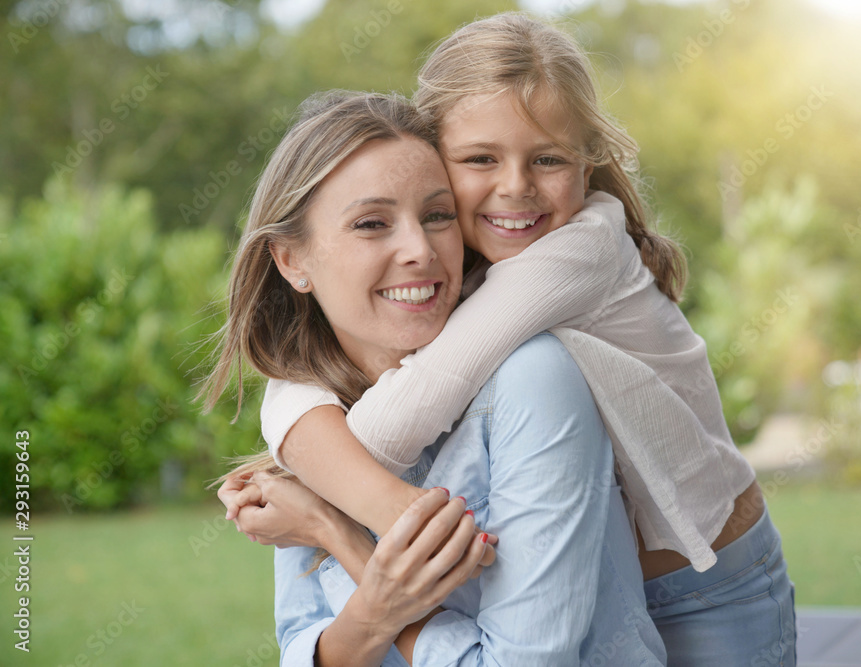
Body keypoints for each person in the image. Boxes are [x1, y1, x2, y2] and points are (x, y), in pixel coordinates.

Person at [236, 12, 796, 665]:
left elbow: (414, 400)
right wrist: (301, 433)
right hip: (611, 591)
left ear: (587, 163)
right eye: (480, 159)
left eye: (548, 159)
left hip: (711, 584)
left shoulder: (575, 252)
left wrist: (317, 494)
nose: (515, 187)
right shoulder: (457, 264)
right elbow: (301, 383)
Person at [206, 90, 667, 665]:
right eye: (372, 223)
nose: (419, 250)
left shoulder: (534, 377)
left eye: (437, 215)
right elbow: (304, 642)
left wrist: (334, 533)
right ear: (291, 261)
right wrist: (362, 595)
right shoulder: (316, 420)